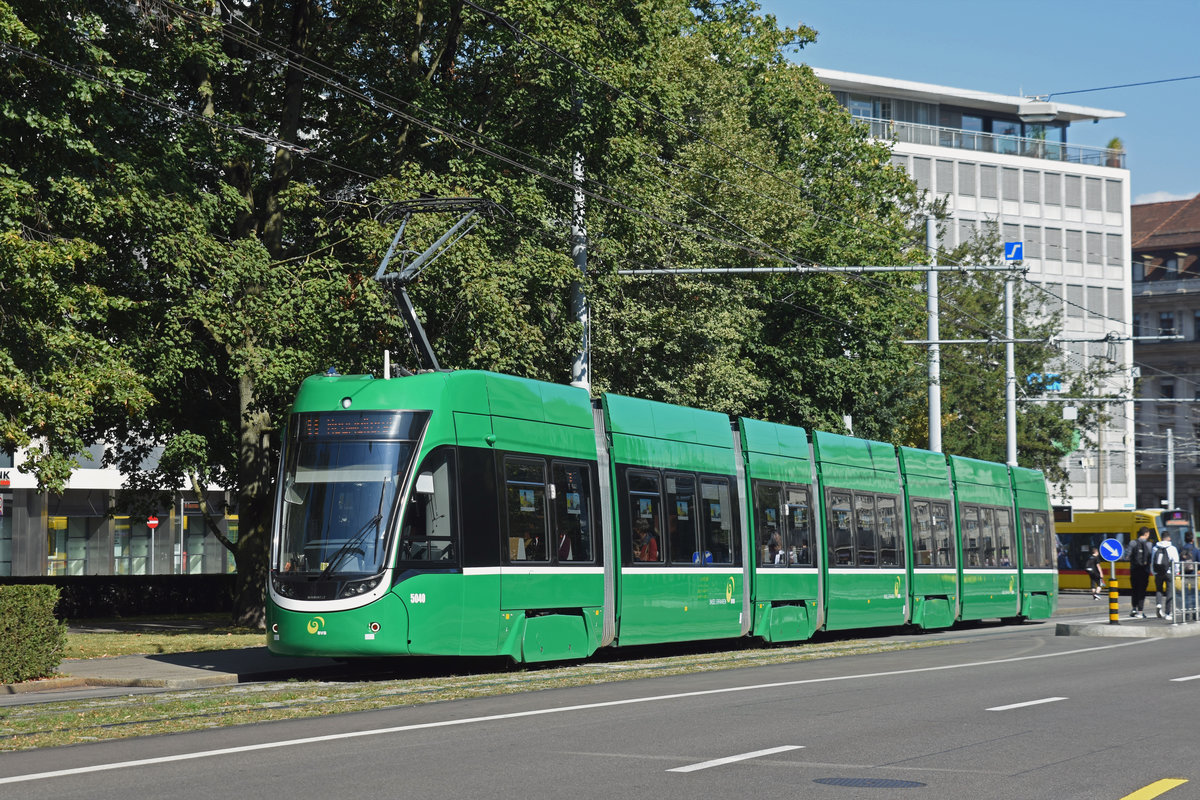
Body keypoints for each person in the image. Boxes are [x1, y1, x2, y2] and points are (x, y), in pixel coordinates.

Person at [1152, 532, 1180, 619]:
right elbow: (1176, 562)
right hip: (1168, 572)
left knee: (1159, 590)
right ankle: (1168, 613)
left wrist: (1154, 572)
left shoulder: (1155, 548)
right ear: (1169, 538)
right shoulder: (1172, 548)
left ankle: (1159, 604)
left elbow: (1152, 561)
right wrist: (1176, 572)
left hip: (1158, 573)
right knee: (1169, 592)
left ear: (1161, 537)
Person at [1128, 527, 1154, 618]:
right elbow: (1151, 558)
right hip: (1144, 571)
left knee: (1134, 589)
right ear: (1146, 534)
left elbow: (1127, 556)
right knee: (1142, 591)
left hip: (1134, 570)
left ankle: (1134, 608)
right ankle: (1140, 611)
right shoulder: (1149, 544)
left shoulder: (1132, 543)